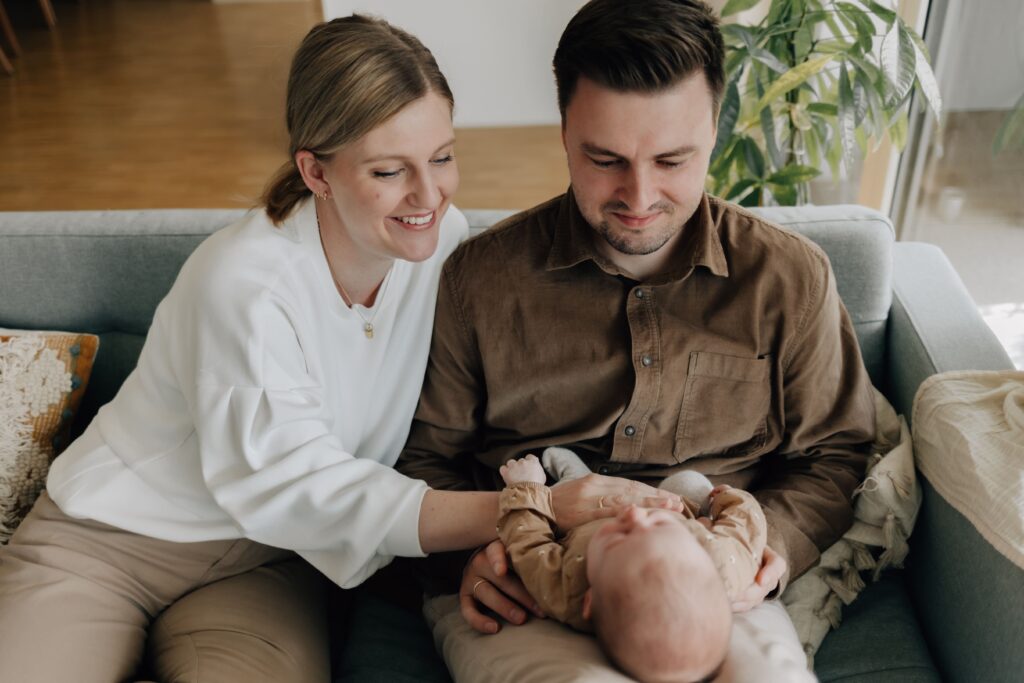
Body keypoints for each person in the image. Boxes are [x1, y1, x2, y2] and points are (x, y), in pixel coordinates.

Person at [0, 15, 676, 683]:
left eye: (441, 157)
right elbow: (298, 481)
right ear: (315, 173)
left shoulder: (442, 243)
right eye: (389, 170)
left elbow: (474, 402)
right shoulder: (245, 284)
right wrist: (536, 508)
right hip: (109, 540)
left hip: (273, 561)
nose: (428, 195)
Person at [398, 0, 875, 679]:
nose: (639, 194)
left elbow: (835, 452)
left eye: (674, 159)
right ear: (564, 131)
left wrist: (770, 552)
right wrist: (466, 559)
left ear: (715, 129)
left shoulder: (789, 277)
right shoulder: (480, 280)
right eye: (605, 158)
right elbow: (423, 457)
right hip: (530, 575)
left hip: (713, 583)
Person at [498, 452, 767, 682]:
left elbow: (527, 543)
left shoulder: (566, 590)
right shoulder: (723, 564)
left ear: (590, 601)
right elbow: (746, 527)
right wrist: (726, 498)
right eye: (658, 526)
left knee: (557, 496)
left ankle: (576, 473)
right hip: (671, 503)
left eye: (619, 537)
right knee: (691, 483)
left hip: (588, 510)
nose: (633, 514)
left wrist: (526, 487)